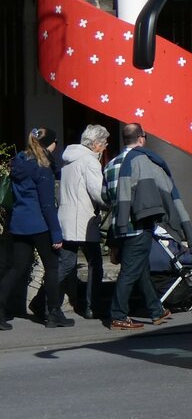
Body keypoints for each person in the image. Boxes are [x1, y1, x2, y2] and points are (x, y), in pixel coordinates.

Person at [105, 123, 192, 331]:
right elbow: (163, 190)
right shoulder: (144, 161)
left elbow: (104, 196)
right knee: (130, 271)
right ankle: (118, 315)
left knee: (141, 269)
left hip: (117, 226)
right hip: (137, 225)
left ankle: (156, 310)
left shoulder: (110, 164)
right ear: (141, 138)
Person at [0, 128, 73, 330]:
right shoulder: (42, 166)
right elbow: (47, 205)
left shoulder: (19, 161)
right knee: (51, 266)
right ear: (51, 143)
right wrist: (56, 233)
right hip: (39, 223)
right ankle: (54, 314)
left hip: (19, 222)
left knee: (17, 267)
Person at [47, 124, 109, 320]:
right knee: (95, 264)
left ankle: (43, 301)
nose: (106, 147)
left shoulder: (68, 159)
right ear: (96, 144)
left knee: (65, 263)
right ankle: (93, 307)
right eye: (105, 143)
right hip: (83, 219)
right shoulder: (90, 161)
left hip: (66, 217)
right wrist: (113, 202)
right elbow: (98, 192)